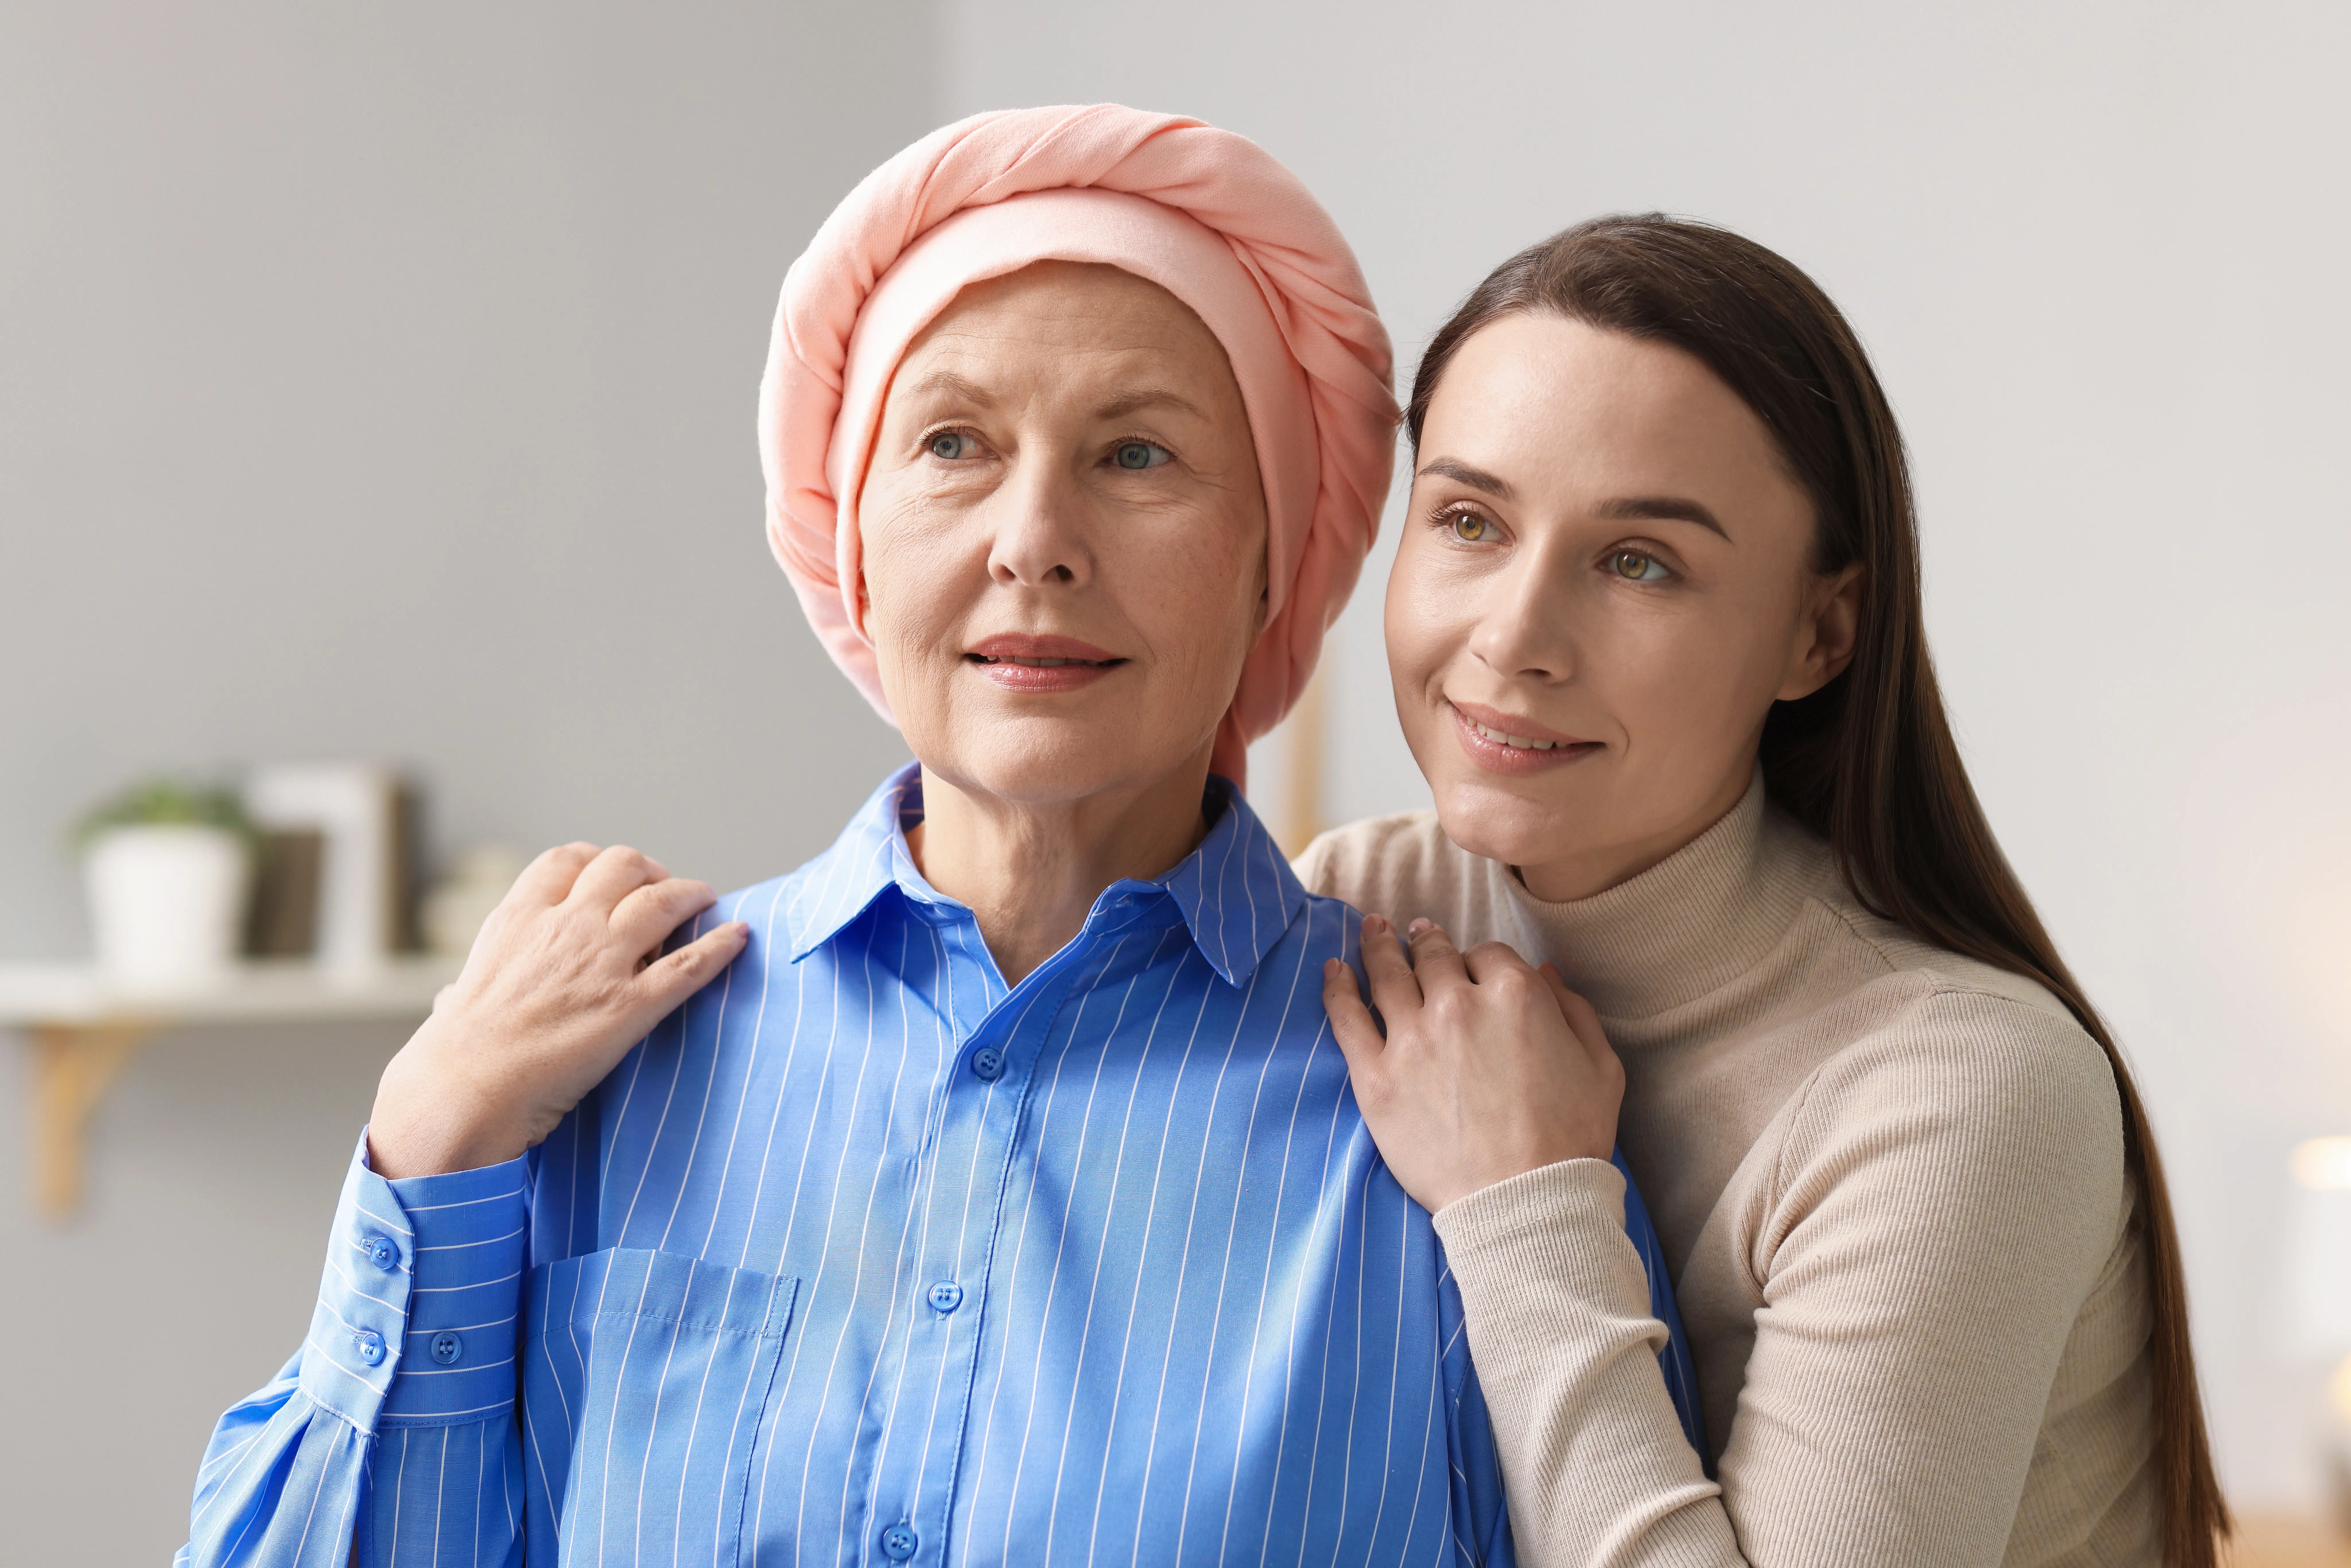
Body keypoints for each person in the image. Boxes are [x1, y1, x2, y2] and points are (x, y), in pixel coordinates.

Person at [177, 110, 1702, 1568]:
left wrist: (1538, 1210)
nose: (1031, 537)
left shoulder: (1464, 1113)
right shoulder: (594, 1057)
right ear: (853, 535)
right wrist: (424, 1144)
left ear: (1270, 563)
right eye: (955, 442)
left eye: (1139, 454)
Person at [1305, 215, 2228, 1567]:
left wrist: (1527, 1194)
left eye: (1638, 561)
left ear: (1818, 631)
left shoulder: (1959, 1085)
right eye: (1466, 520)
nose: (1510, 636)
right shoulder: (1365, 908)